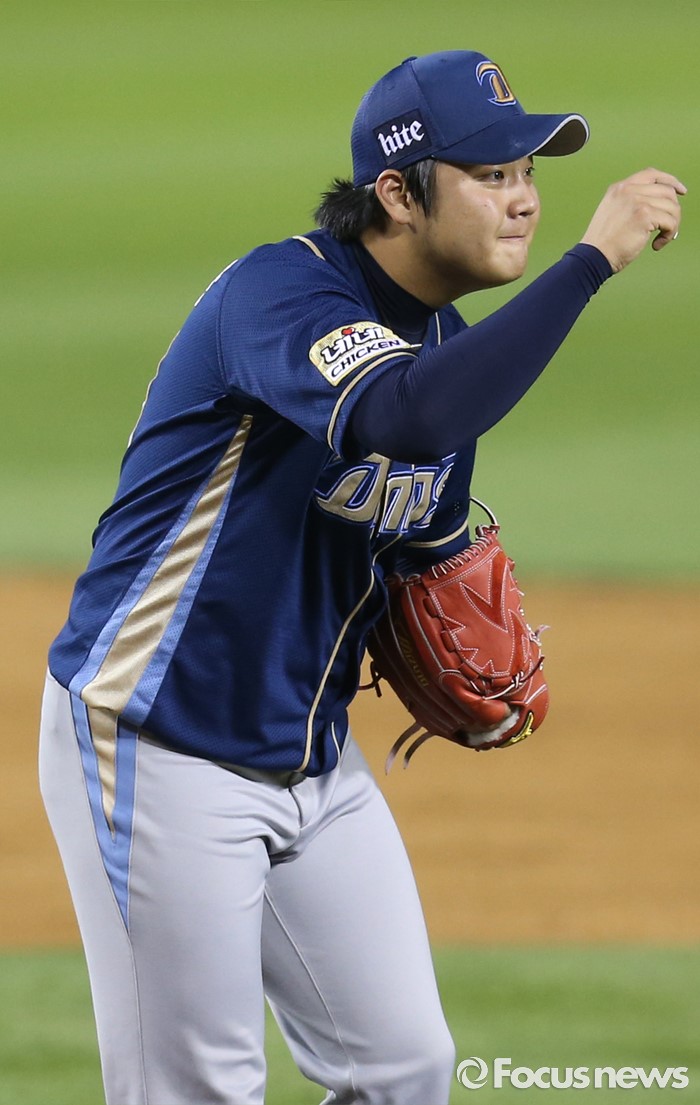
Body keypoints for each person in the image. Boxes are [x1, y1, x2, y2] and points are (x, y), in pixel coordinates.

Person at [39, 49, 684, 1105]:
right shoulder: (282, 294)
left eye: (528, 172)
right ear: (397, 192)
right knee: (196, 1087)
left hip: (310, 757)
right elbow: (399, 416)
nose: (524, 199)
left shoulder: (446, 352)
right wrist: (589, 261)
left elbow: (417, 543)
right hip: (160, 734)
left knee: (402, 1064)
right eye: (491, 174)